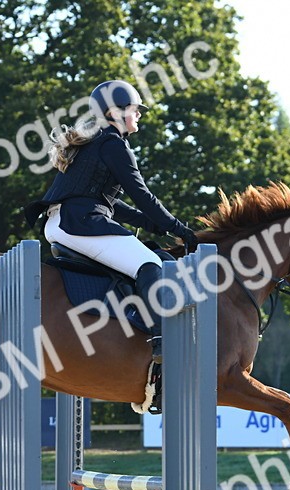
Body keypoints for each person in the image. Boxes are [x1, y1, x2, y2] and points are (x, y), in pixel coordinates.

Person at [23, 80, 199, 364]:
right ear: (115, 112)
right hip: (79, 225)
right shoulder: (113, 145)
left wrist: (149, 222)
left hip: (62, 223)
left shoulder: (95, 141)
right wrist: (178, 228)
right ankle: (162, 340)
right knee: (151, 264)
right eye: (135, 109)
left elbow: (107, 201)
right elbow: (142, 194)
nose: (140, 114)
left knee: (143, 257)